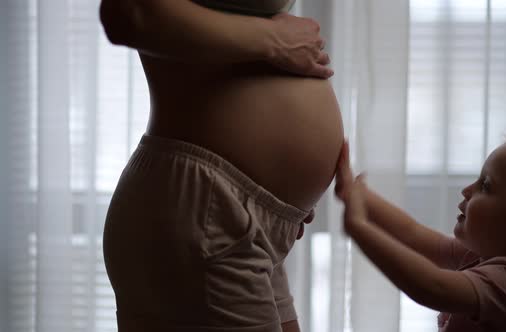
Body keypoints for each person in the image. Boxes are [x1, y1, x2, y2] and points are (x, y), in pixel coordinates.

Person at [99, 0, 344, 331]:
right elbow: (130, 12)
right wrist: (274, 39)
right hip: (206, 212)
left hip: (233, 218)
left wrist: (283, 200)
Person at [335, 133, 506, 332]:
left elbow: (433, 287)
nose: (467, 190)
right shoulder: (486, 255)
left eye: (486, 186)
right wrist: (359, 195)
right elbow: (414, 234)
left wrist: (359, 227)